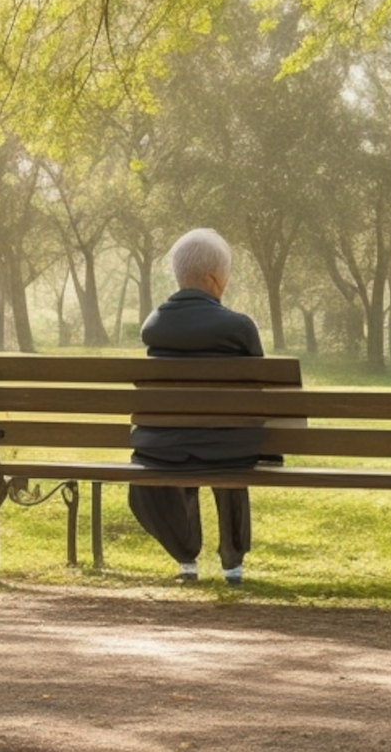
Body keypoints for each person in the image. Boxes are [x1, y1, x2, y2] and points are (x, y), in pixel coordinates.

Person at [131, 227, 263, 585]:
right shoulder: (239, 328)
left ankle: (186, 556)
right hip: (227, 449)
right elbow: (260, 395)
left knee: (179, 443)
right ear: (212, 278)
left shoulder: (154, 327)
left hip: (164, 448)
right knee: (227, 446)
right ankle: (232, 564)